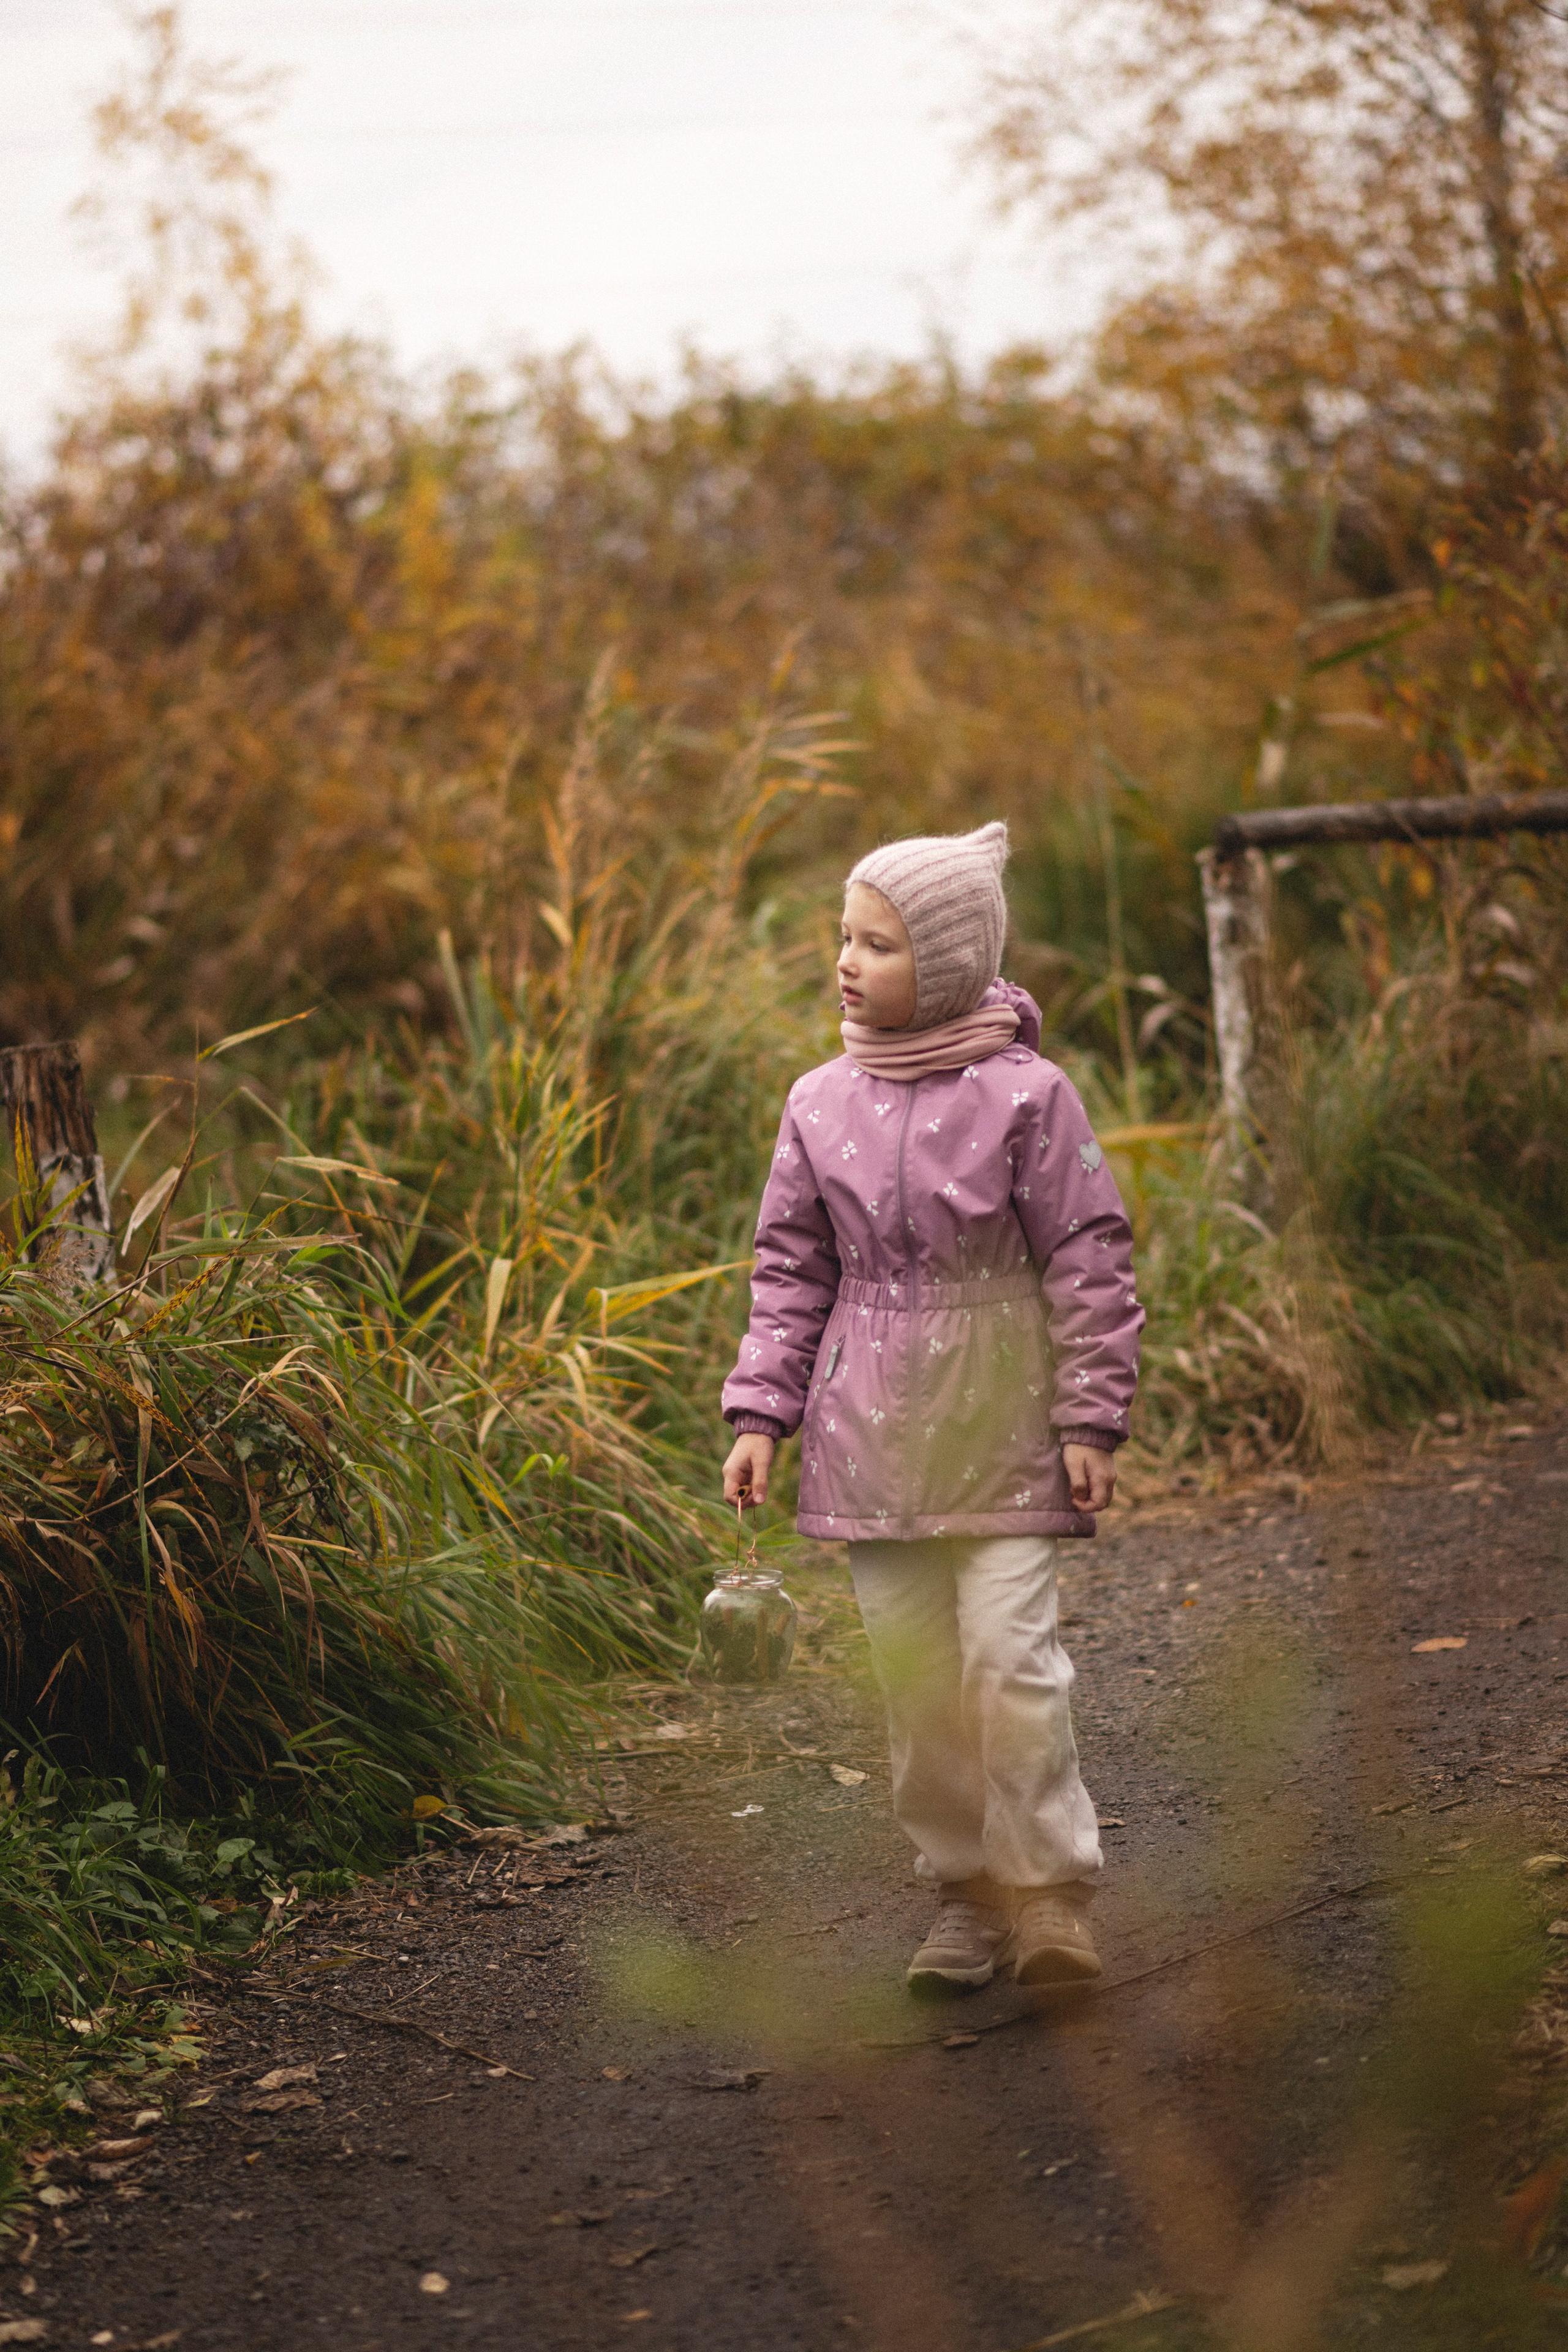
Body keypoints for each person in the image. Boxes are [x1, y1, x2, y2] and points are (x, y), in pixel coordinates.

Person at [720, 821, 1144, 1993]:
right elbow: (790, 1270)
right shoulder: (819, 1101)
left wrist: (1090, 1418)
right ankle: (962, 1895)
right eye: (845, 938)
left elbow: (1088, 1259)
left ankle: (1048, 1895)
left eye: (881, 944)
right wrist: (763, 1413)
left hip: (1007, 1426)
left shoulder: (1029, 1096)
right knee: (915, 1674)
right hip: (870, 1442)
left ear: (951, 966)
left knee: (1011, 1661)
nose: (848, 962)